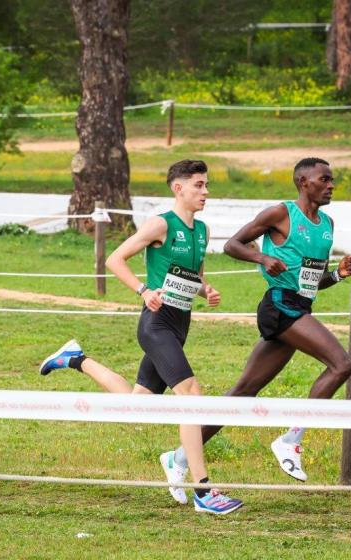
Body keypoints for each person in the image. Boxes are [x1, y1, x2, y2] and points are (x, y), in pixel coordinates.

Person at [39, 160, 243, 515]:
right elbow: (115, 259)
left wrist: (205, 291)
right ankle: (204, 491)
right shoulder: (161, 224)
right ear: (178, 188)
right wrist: (143, 289)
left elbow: (193, 276)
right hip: (156, 324)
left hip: (180, 325)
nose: (206, 192)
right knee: (191, 395)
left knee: (137, 403)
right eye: (199, 185)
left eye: (207, 185)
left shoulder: (203, 231)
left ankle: (75, 358)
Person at [205, 157, 351, 482]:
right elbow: (232, 244)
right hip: (279, 305)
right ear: (303, 182)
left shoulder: (327, 225)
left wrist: (338, 275)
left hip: (299, 306)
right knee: (342, 365)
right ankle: (292, 440)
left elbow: (311, 282)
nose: (331, 185)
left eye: (332, 180)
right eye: (324, 179)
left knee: (244, 391)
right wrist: (262, 256)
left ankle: (178, 457)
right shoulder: (281, 213)